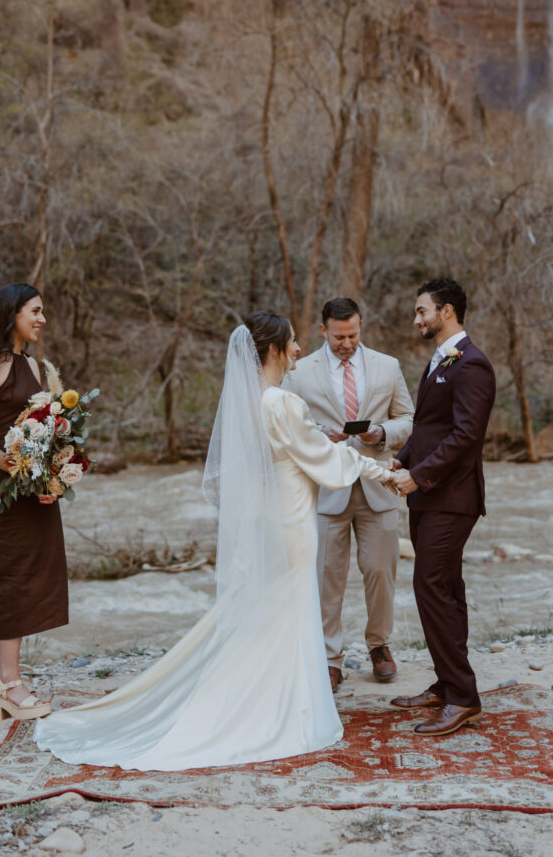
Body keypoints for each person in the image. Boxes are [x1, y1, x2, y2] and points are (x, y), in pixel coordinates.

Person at [34, 313, 395, 770]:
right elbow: (325, 458)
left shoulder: (250, 401)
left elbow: (283, 453)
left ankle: (267, 693)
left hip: (272, 515)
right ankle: (286, 707)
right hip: (292, 520)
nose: (300, 348)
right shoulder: (282, 401)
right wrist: (385, 472)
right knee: (292, 606)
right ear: (274, 351)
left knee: (273, 610)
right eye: (293, 342)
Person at [283, 298, 414, 690]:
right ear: (323, 331)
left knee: (380, 571)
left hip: (378, 484)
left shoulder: (387, 366)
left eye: (353, 335)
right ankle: (329, 657)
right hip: (325, 490)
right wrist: (320, 435)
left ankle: (379, 645)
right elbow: (291, 427)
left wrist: (383, 434)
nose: (347, 343)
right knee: (327, 576)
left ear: (361, 327)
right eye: (339, 336)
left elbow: (408, 417)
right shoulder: (300, 372)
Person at [390, 278, 496, 737]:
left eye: (422, 311)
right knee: (445, 589)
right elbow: (429, 427)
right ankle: (446, 683)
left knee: (430, 584)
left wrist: (419, 475)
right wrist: (400, 460)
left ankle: (463, 698)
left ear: (446, 311)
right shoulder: (441, 359)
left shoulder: (472, 365)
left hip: (452, 498)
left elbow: (465, 436)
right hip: (429, 495)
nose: (416, 320)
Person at [0, 283, 68, 723]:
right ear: (12, 314)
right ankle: (9, 683)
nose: (42, 319)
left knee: (23, 577)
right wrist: (11, 464)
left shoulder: (35, 367)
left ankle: (7, 676)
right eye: (35, 311)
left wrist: (52, 474)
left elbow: (46, 430)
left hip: (29, 493)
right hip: (0, 489)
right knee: (8, 576)